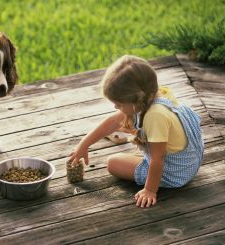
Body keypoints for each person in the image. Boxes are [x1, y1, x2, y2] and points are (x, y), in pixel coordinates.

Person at [69, 55, 204, 208]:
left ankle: (153, 182)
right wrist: (84, 145)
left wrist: (150, 190)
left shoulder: (155, 115)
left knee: (113, 163)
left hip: (177, 172)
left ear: (137, 100)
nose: (115, 108)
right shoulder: (155, 95)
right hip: (191, 160)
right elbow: (112, 122)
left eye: (119, 104)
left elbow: (157, 159)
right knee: (126, 127)